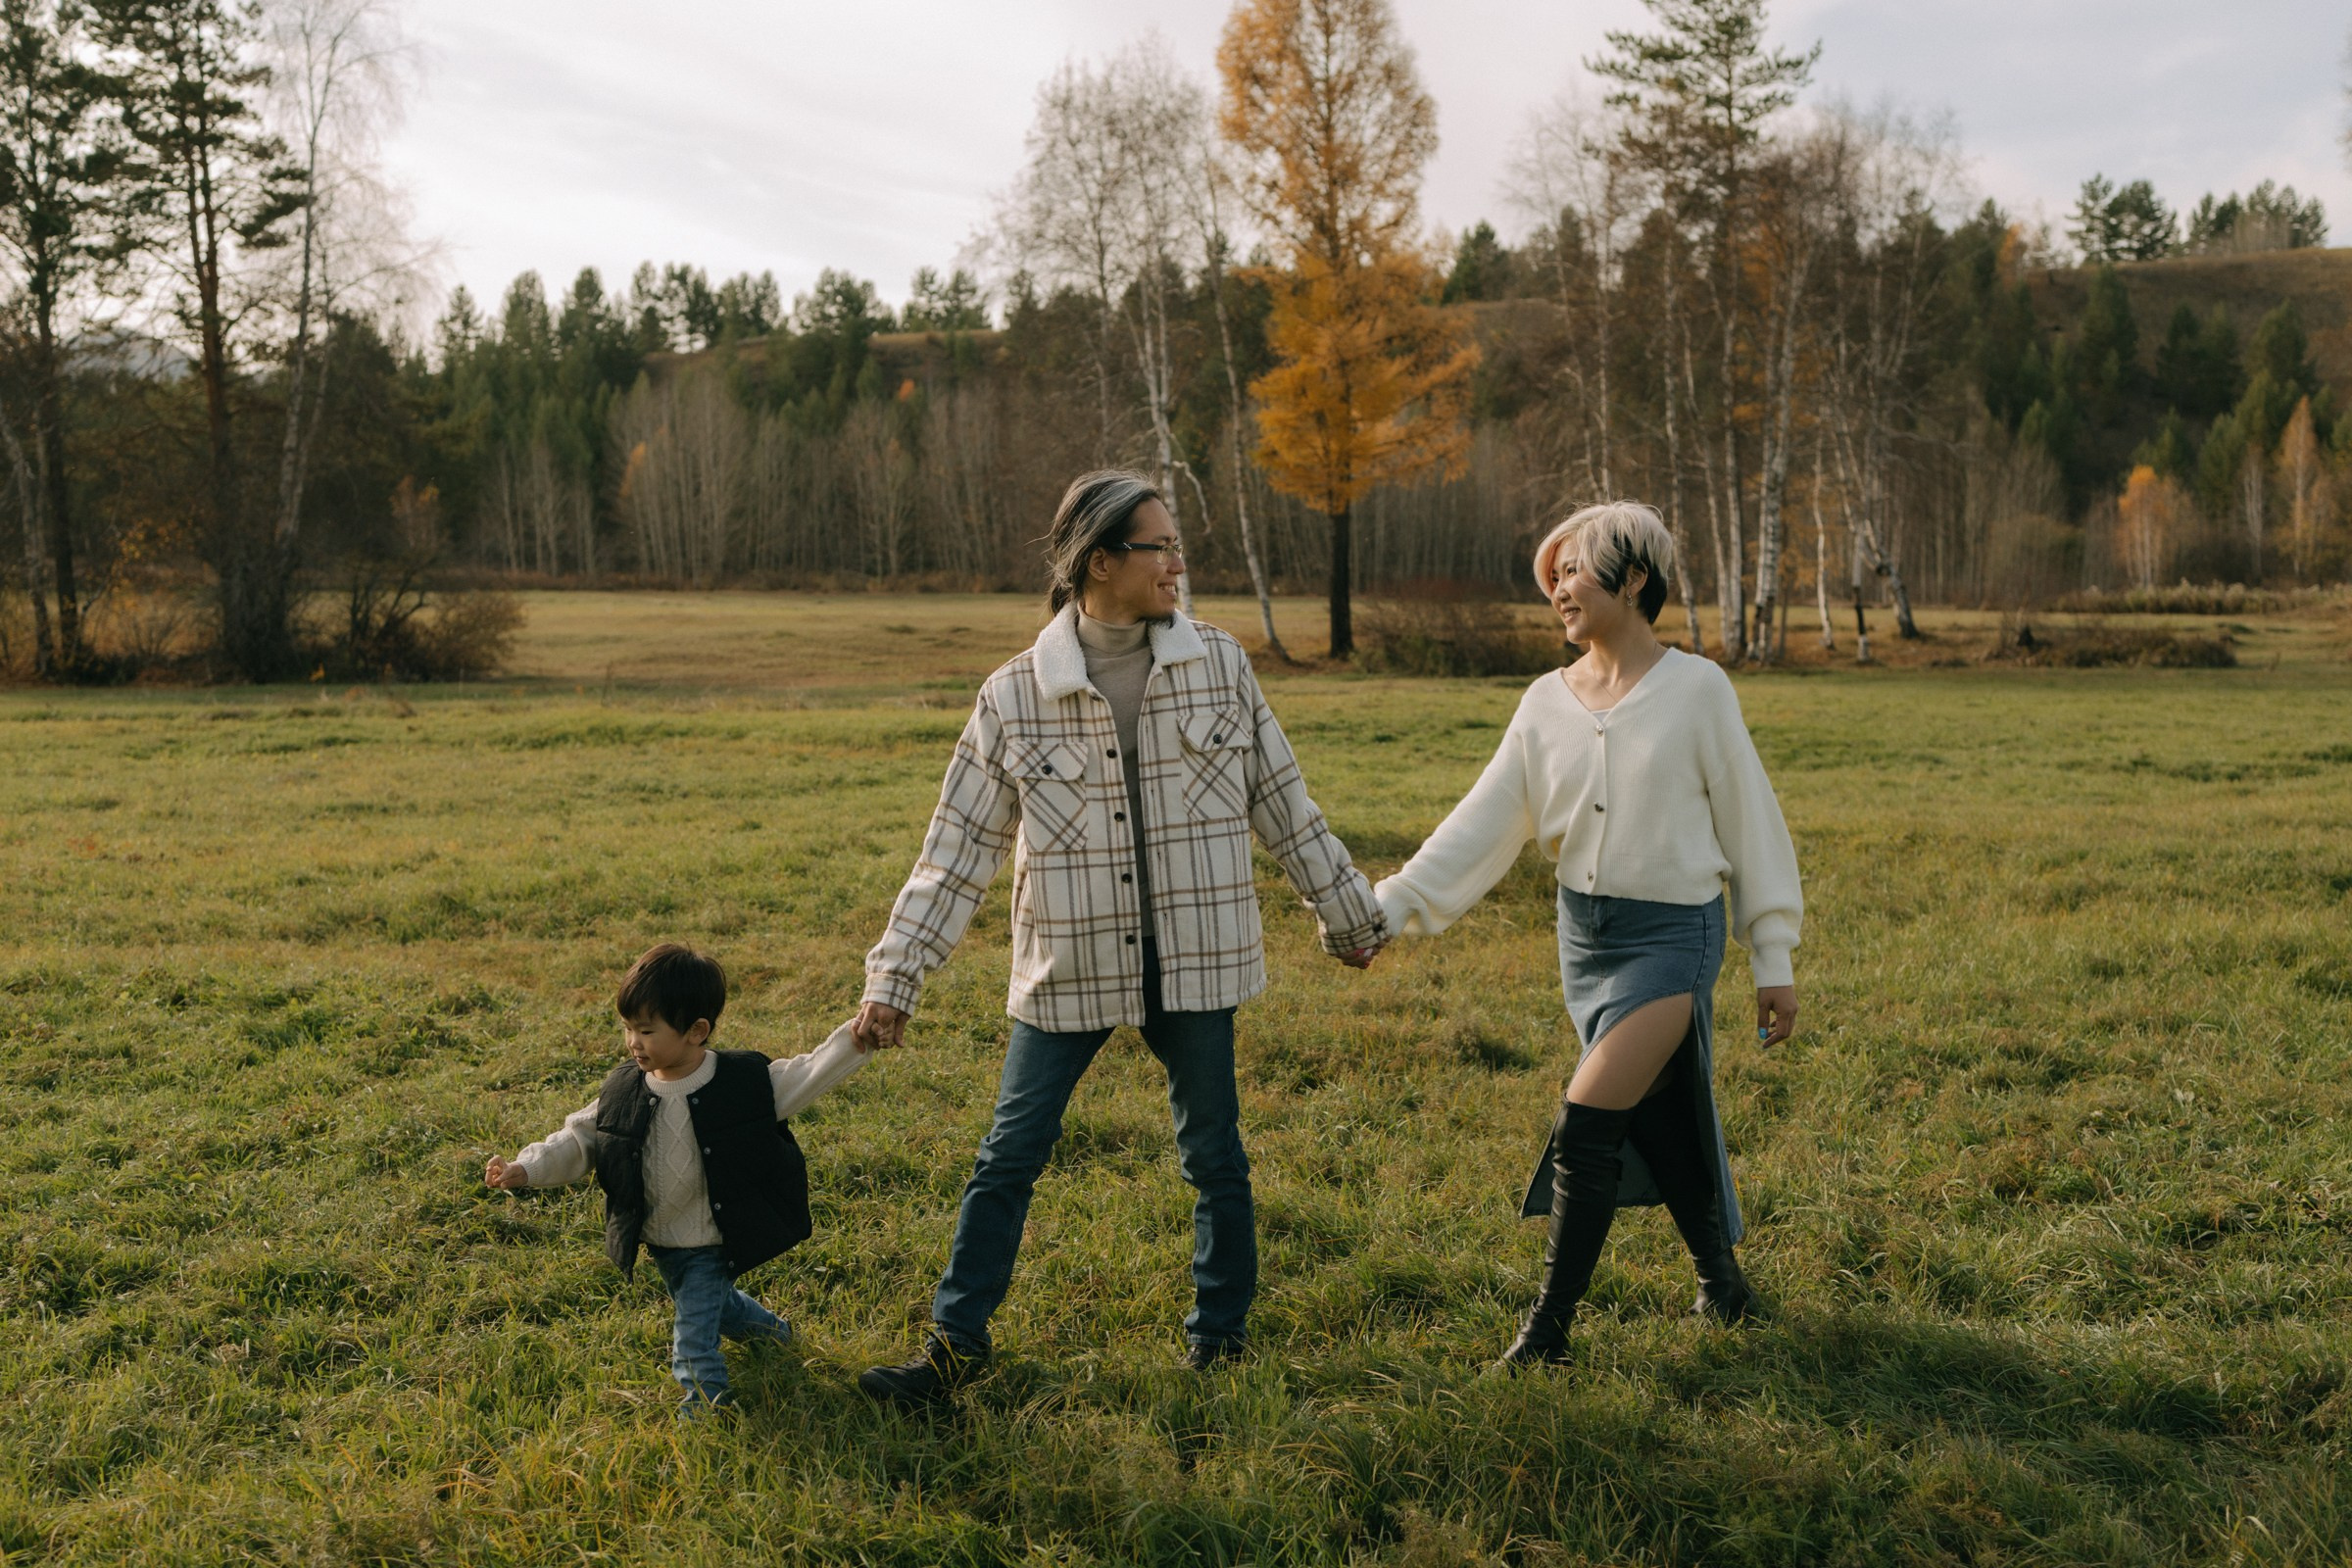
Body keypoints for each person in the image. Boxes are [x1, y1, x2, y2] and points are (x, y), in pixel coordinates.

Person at [853, 469, 1385, 1407]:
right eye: (1159, 547)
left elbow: (1282, 801)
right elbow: (956, 853)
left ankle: (1220, 1345)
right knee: (1007, 1158)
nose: (1177, 563)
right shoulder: (1014, 695)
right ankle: (954, 1349)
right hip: (1071, 964)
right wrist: (895, 980)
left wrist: (1348, 912)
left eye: (1177, 546)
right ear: (1100, 562)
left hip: (1197, 956)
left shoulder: (1220, 664)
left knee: (1215, 1159)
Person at [1373, 502, 1802, 1367]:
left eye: (1575, 571)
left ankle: (1547, 1334)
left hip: (1673, 939)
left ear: (1633, 578)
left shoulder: (1698, 691)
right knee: (1663, 1118)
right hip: (1585, 941)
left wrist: (1772, 954)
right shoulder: (1544, 702)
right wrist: (1392, 905)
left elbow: (1751, 819)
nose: (1559, 590)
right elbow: (1484, 821)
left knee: (1587, 1121)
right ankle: (1722, 1282)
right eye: (1555, 575)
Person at [484, 943, 866, 1412]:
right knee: (714, 1306)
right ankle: (771, 1333)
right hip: (662, 1239)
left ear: (696, 1031)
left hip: (713, 1237)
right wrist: (525, 1168)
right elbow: (580, 1139)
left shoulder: (742, 1084)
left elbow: (806, 1074)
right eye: (628, 1028)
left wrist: (856, 1039)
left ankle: (705, 1408)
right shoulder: (625, 1090)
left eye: (647, 1030)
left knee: (693, 1337)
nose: (633, 1042)